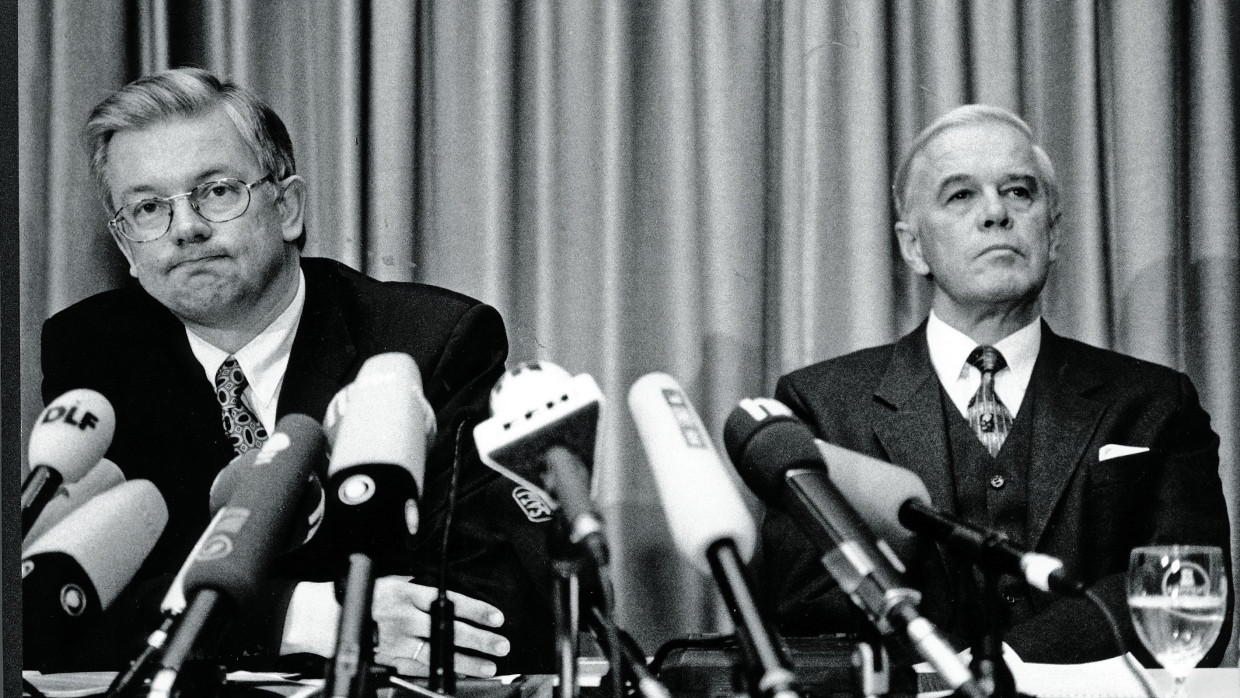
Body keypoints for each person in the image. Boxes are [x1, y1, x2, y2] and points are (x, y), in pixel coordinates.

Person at [38, 67, 553, 676]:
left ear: (287, 207)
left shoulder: (428, 342)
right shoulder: (96, 352)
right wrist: (305, 616)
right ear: (125, 248)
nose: (186, 228)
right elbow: (55, 610)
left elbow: (499, 604)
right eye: (148, 207)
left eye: (218, 191)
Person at [761, 104, 1233, 665]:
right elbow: (805, 604)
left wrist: (1007, 662)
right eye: (960, 195)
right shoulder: (820, 406)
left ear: (1053, 235)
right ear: (913, 247)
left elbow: (1187, 596)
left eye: (1018, 192)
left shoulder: (1155, 403)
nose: (996, 214)